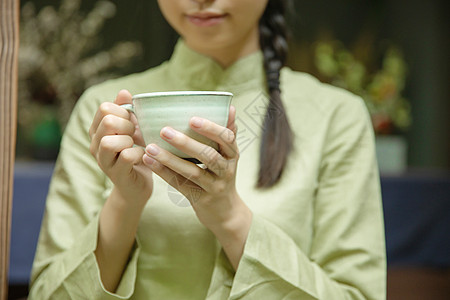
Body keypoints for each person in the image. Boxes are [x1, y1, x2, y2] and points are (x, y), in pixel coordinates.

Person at [29, 0, 386, 299]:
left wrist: (229, 215)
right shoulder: (106, 111)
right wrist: (125, 200)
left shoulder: (336, 116)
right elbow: (48, 293)